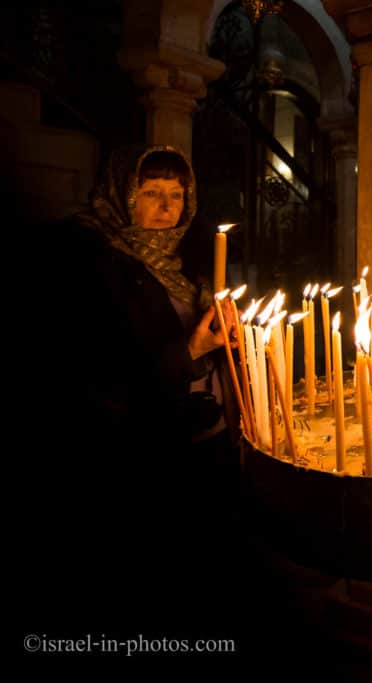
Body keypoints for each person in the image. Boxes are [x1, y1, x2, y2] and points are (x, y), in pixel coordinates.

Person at [21, 145, 245, 646]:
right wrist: (190, 347)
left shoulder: (178, 262)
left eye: (176, 194)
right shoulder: (92, 265)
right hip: (144, 456)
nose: (167, 207)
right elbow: (100, 370)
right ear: (124, 197)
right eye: (151, 194)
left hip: (205, 437)